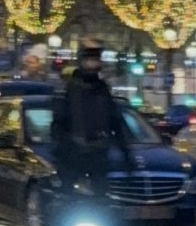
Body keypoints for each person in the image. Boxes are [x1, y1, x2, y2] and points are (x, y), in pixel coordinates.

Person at [50, 41, 134, 198]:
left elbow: (115, 121)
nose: (93, 64)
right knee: (70, 200)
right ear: (82, 62)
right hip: (73, 157)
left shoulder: (102, 89)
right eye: (90, 60)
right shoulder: (69, 90)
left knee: (101, 199)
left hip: (98, 155)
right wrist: (65, 148)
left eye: (96, 60)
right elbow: (58, 124)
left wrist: (126, 153)